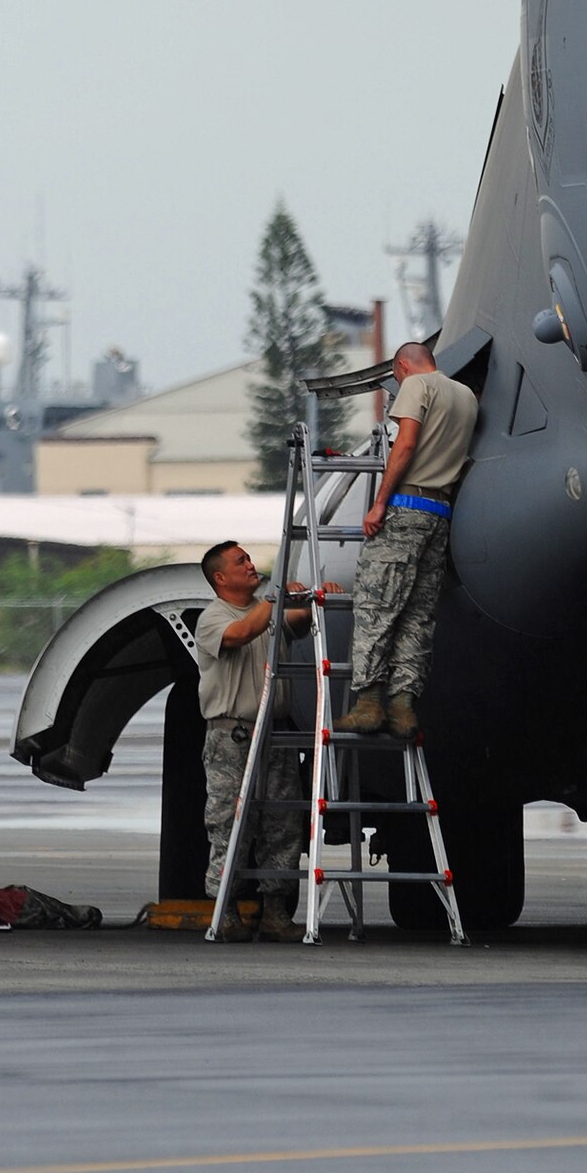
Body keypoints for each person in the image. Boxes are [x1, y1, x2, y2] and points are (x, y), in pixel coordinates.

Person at [195, 539, 340, 943]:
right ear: (221, 578)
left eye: (248, 558)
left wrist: (315, 598)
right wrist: (277, 599)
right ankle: (223, 911)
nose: (250, 565)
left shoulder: (267, 611)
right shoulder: (214, 617)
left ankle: (276, 912)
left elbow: (291, 620)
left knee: (283, 822)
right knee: (229, 824)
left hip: (273, 735)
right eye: (240, 562)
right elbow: (242, 633)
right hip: (232, 736)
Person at [337, 342, 478, 739]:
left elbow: (407, 443)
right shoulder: (465, 395)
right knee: (418, 614)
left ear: (402, 366)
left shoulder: (417, 386)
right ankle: (403, 707)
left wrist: (380, 502)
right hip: (440, 514)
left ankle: (368, 705)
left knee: (376, 605)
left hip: (406, 507)